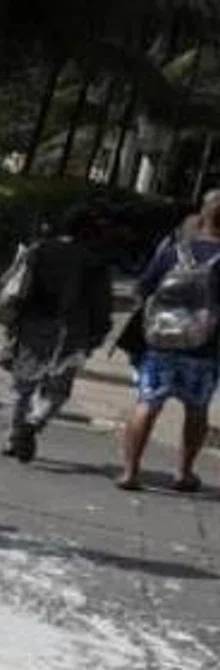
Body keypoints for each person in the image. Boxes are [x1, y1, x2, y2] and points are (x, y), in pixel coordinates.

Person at [112, 189, 220, 493]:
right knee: (197, 410)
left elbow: (143, 289)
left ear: (203, 216)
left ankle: (130, 471)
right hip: (205, 348)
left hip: (161, 343)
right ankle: (184, 473)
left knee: (147, 403)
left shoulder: (175, 252)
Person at [0, 204, 113, 465]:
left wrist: (13, 321)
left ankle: (11, 436)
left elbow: (17, 286)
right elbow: (101, 304)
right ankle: (33, 423)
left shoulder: (39, 249)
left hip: (33, 324)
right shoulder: (94, 261)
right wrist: (98, 333)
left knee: (21, 385)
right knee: (57, 390)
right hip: (73, 331)